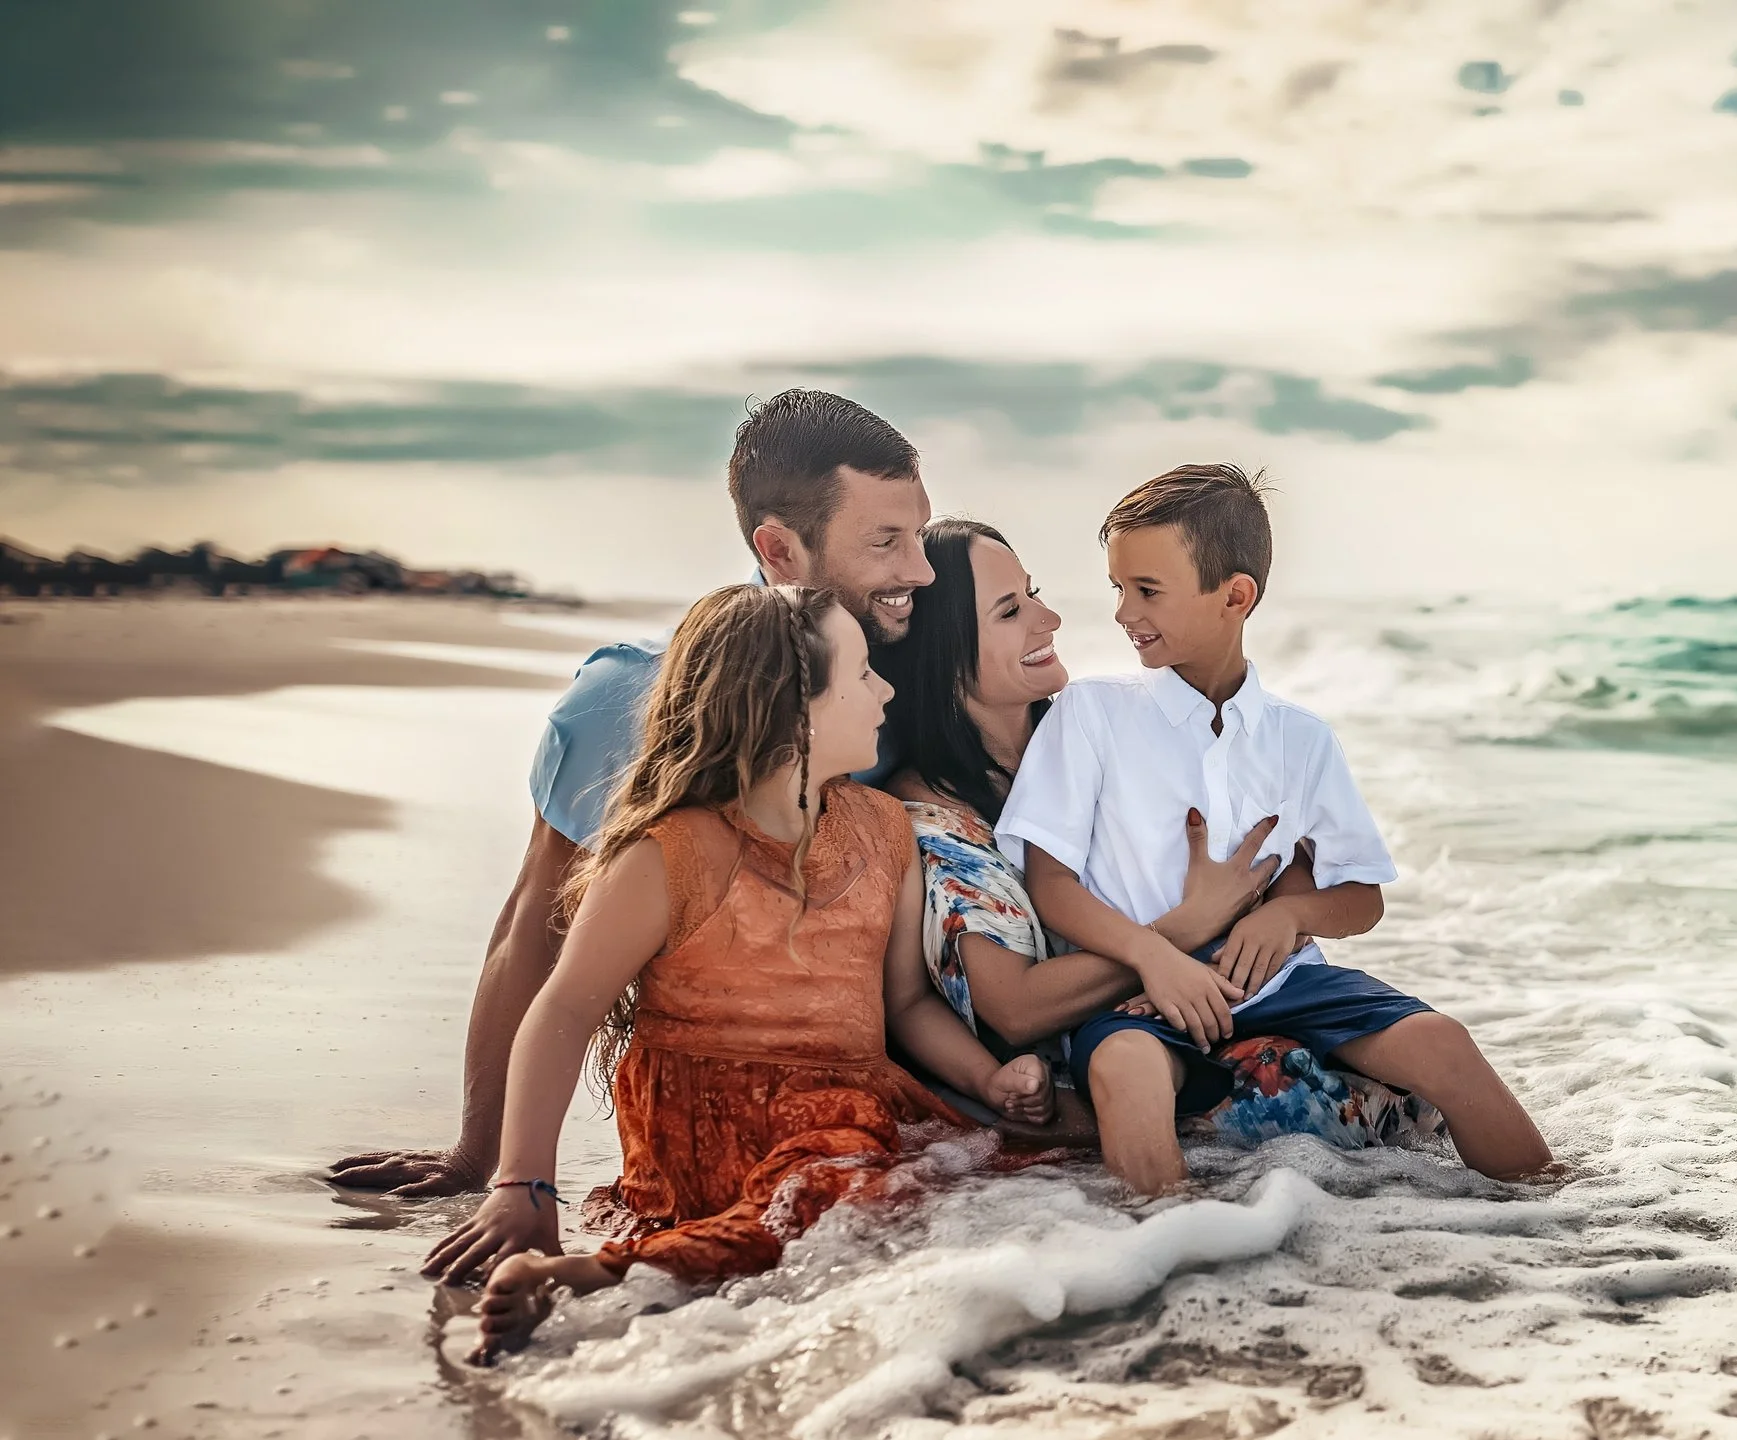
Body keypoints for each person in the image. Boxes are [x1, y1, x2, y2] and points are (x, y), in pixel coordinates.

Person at [329, 392, 935, 1238]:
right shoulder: (627, 699)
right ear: (779, 548)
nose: (921, 571)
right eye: (886, 542)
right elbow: (537, 927)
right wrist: (489, 1164)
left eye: (918, 534)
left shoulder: (903, 669)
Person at [428, 584, 1043, 1360]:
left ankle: (657, 1270)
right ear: (794, 716)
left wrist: (988, 1084)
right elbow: (562, 1012)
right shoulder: (669, 854)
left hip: (842, 1106)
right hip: (701, 1122)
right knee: (837, 1199)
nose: (885, 688)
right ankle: (593, 1275)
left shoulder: (884, 832)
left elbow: (907, 1001)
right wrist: (522, 1183)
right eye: (860, 675)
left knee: (983, 1182)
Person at [994, 465, 1553, 1195]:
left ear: (1235, 596)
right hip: (1140, 993)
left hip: (1282, 985)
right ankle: (1173, 1253)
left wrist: (1290, 914)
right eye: (1118, 589)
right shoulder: (1091, 715)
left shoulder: (1300, 739)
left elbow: (1362, 898)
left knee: (1442, 1043)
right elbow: (1051, 885)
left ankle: (1563, 1224)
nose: (1124, 612)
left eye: (1148, 590)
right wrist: (1152, 956)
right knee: (1124, 1070)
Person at [878, 519, 1447, 1152]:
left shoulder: (1109, 729)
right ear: (944, 651)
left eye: (1034, 593)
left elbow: (1278, 875)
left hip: (1219, 1013)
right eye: (1012, 610)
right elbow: (1012, 1007)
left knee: (1421, 1101)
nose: (1051, 618)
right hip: (1090, 1082)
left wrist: (1283, 911)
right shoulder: (930, 815)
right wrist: (1187, 927)